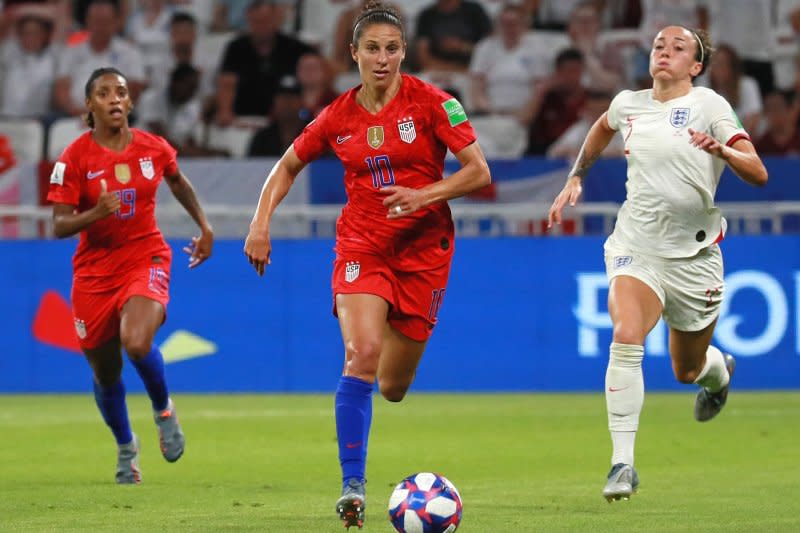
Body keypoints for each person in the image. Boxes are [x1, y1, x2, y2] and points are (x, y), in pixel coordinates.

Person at [243, 2, 490, 528]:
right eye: (372, 49)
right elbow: (286, 166)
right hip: (363, 245)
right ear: (353, 53)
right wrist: (260, 222)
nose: (382, 59)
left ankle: (371, 420)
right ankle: (352, 487)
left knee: (393, 385)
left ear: (404, 52)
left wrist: (424, 195)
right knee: (362, 353)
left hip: (424, 254)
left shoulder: (435, 104)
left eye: (392, 48)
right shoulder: (337, 115)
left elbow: (477, 172)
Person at [548, 26, 768, 502]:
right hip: (637, 248)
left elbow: (758, 171)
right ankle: (622, 464)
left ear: (695, 66)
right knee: (626, 335)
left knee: (685, 370)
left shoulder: (710, 106)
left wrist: (723, 149)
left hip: (694, 258)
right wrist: (576, 177)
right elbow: (601, 127)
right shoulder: (629, 102)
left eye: (678, 48)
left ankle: (718, 371)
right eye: (658, 46)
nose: (665, 52)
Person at [47, 67, 214, 484]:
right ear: (90, 105)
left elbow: (177, 181)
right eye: (104, 94)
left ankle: (164, 411)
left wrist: (205, 226)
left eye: (120, 92)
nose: (115, 99)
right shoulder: (73, 159)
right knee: (105, 373)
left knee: (136, 341)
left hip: (146, 257)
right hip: (93, 274)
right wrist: (95, 214)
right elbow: (59, 225)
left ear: (130, 102)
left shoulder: (152, 147)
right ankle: (126, 446)